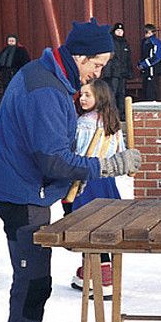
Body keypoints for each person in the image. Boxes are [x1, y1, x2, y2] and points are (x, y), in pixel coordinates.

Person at [0, 19, 142, 322]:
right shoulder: (46, 89)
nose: (99, 72)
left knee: (32, 279)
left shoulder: (48, 76)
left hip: (25, 190)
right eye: (98, 64)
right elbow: (53, 160)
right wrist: (106, 166)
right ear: (80, 56)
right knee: (32, 281)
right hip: (22, 195)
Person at [66, 79, 126, 292]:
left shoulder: (84, 123)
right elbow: (120, 151)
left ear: (100, 97)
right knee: (103, 227)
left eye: (87, 95)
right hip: (106, 180)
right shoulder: (112, 122)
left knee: (87, 228)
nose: (82, 98)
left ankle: (102, 277)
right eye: (81, 94)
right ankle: (90, 271)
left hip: (86, 182)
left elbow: (76, 153)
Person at [103, 21, 134, 113]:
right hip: (113, 73)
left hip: (122, 73)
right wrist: (107, 72)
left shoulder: (125, 43)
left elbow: (128, 58)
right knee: (112, 92)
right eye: (118, 30)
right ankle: (111, 113)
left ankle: (121, 113)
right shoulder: (110, 42)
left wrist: (129, 71)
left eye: (121, 30)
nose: (120, 32)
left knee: (122, 93)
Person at [137, 23, 161, 101]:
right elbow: (143, 55)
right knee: (145, 91)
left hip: (153, 70)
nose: (146, 34)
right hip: (145, 70)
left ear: (152, 32)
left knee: (151, 91)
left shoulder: (155, 42)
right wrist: (139, 64)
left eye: (147, 32)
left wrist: (144, 64)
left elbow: (157, 57)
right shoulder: (144, 42)